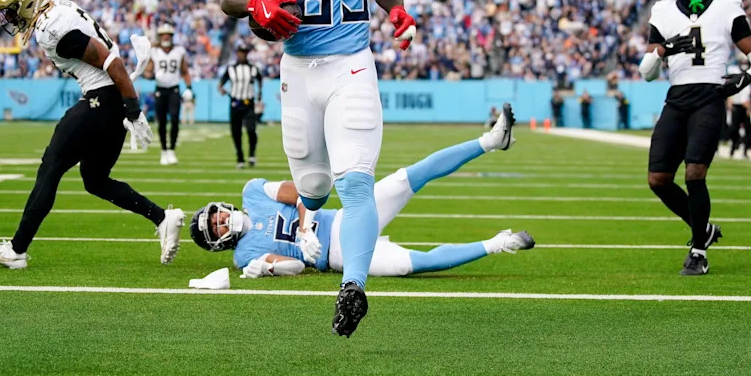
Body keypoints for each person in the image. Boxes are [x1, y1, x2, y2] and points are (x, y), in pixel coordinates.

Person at [221, 0, 417, 336]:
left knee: (356, 181)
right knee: (313, 186)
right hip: (297, 69)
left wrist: (397, 11)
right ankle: (305, 229)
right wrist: (257, 3)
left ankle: (353, 285)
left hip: (352, 65)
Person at [0, 0, 184, 269]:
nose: (10, 19)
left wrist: (133, 108)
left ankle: (16, 250)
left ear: (28, 1)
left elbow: (110, 60)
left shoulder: (51, 27)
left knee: (51, 167)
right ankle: (163, 218)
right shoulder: (58, 7)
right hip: (111, 100)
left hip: (103, 98)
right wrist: (127, 106)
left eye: (12, 11)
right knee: (95, 180)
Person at [189, 106, 527, 281]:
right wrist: (266, 266)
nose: (220, 218)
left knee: (408, 177)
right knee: (412, 265)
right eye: (215, 226)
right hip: (337, 257)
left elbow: (303, 192)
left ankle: (491, 141)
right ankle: (498, 244)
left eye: (215, 213)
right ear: (218, 242)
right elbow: (295, 266)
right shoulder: (244, 256)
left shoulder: (253, 193)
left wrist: (305, 229)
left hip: (345, 217)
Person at [639, 0, 751, 276]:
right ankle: (704, 228)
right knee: (658, 179)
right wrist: (665, 50)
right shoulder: (664, 10)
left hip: (710, 95)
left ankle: (698, 251)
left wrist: (747, 77)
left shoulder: (726, 6)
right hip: (677, 96)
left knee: (695, 172)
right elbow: (647, 71)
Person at [144, 23, 192, 166]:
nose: (165, 37)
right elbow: (148, 71)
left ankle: (171, 150)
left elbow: (184, 71)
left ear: (171, 36)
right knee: (162, 122)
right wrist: (150, 75)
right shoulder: (154, 51)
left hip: (174, 89)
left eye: (168, 34)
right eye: (163, 34)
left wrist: (189, 87)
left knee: (175, 119)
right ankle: (164, 150)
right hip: (160, 89)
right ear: (160, 36)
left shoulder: (179, 51)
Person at [218, 43, 263, 169]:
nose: (242, 54)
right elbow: (221, 82)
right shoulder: (231, 68)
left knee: (251, 130)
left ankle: (252, 154)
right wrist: (221, 88)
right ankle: (240, 157)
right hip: (235, 103)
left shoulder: (253, 69)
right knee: (236, 132)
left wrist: (259, 95)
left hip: (248, 103)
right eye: (240, 52)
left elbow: (260, 80)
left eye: (244, 52)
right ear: (237, 53)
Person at [727, 60, 751, 158]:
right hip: (736, 105)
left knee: (748, 130)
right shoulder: (735, 73)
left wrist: (750, 107)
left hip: (747, 106)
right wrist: (730, 101)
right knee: (734, 128)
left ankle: (745, 150)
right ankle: (733, 147)